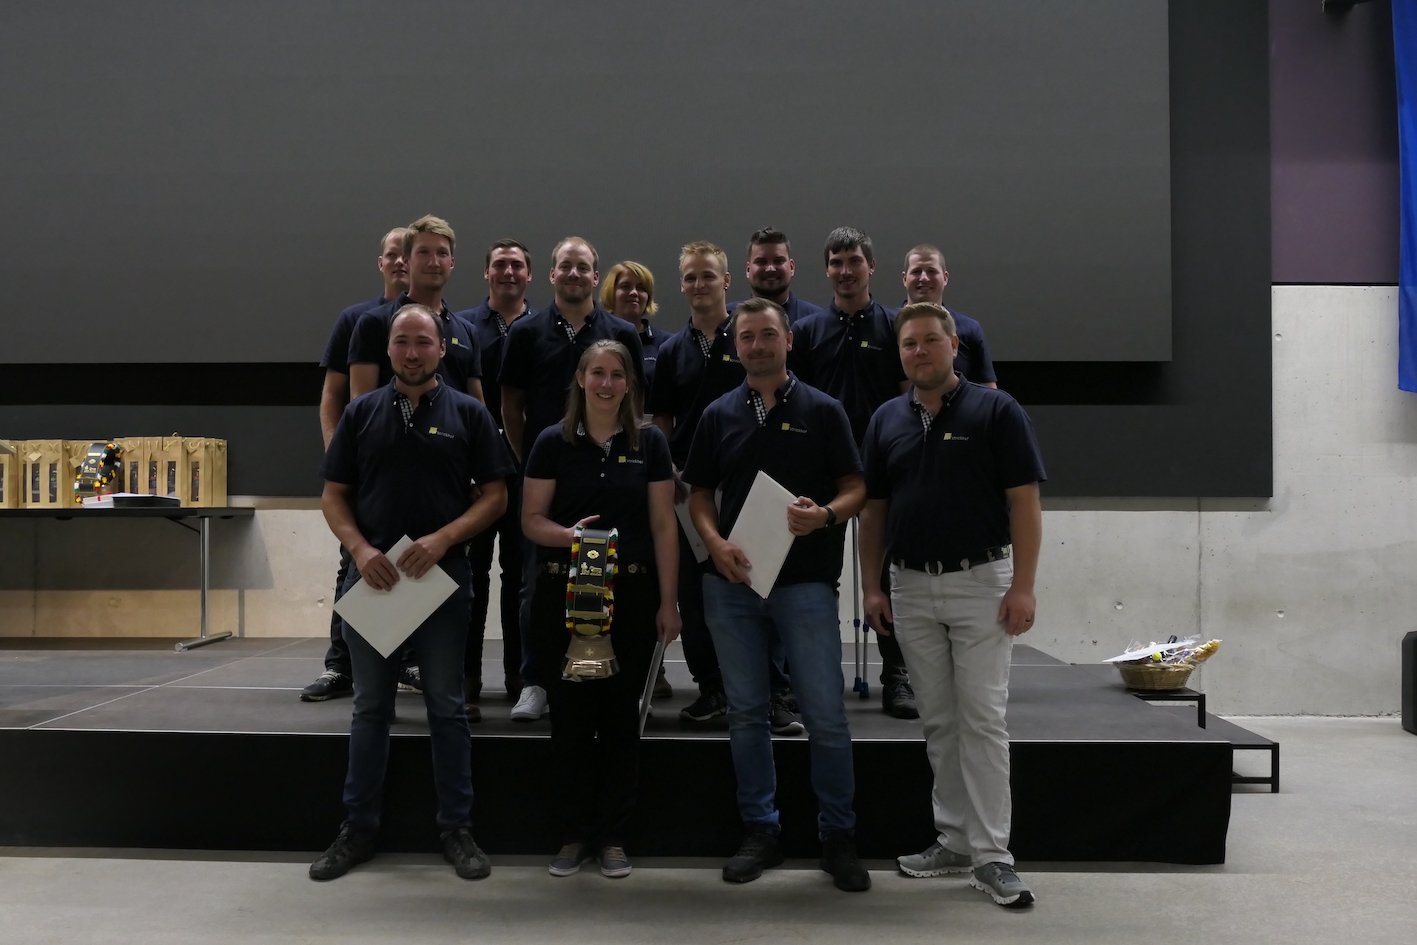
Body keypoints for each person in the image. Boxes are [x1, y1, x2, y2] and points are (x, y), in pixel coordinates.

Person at [311, 304, 516, 882]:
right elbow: (333, 495)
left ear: (441, 349)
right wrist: (360, 551)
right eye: (402, 341)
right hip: (374, 581)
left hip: (441, 583)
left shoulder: (470, 414)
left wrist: (443, 538)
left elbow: (496, 496)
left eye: (423, 342)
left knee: (446, 709)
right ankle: (357, 830)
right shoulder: (361, 413)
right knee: (370, 709)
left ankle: (457, 829)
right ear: (389, 350)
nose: (412, 352)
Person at [857, 302, 1045, 908]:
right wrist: (871, 586)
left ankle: (994, 856)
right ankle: (956, 840)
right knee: (938, 720)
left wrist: (1023, 586)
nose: (919, 352)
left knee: (982, 720)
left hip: (981, 584)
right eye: (909, 344)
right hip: (910, 587)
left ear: (954, 345)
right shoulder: (886, 419)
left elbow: (1024, 502)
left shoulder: (998, 410)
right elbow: (874, 511)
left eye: (930, 341)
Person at [683, 297, 870, 892]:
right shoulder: (717, 414)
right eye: (747, 337)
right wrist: (714, 543)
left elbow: (856, 486)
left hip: (806, 586)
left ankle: (838, 837)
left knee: (825, 714)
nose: (757, 346)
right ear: (735, 346)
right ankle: (760, 831)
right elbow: (698, 494)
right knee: (746, 715)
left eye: (768, 335)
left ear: (788, 340)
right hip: (732, 586)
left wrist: (827, 515)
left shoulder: (824, 410)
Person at [522, 340, 680, 879]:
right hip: (564, 598)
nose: (606, 384)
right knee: (569, 720)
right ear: (580, 379)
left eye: (616, 374)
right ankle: (572, 836)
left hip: (631, 598)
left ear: (629, 384)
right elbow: (531, 520)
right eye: (597, 373)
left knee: (619, 721)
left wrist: (668, 602)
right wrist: (571, 537)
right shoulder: (552, 441)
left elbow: (663, 525)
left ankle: (612, 837)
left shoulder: (650, 442)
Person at [649, 241, 802, 734]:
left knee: (762, 587)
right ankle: (713, 688)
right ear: (682, 285)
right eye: (690, 277)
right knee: (697, 595)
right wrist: (671, 469)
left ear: (727, 281)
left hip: (752, 488)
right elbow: (663, 420)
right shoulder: (671, 351)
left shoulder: (750, 337)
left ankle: (774, 694)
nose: (699, 284)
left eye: (708, 275)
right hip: (691, 490)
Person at [499, 236, 646, 722]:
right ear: (552, 274)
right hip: (547, 476)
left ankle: (615, 678)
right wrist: (530, 462)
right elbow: (511, 405)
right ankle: (535, 680)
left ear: (595, 276)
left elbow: (634, 401)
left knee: (614, 579)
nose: (574, 274)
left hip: (608, 475)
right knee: (533, 586)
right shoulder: (525, 332)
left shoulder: (621, 332)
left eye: (583, 267)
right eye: (566, 266)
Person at [789, 226, 917, 720]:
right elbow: (798, 400)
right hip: (825, 474)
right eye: (837, 262)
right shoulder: (808, 332)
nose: (845, 271)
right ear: (826, 270)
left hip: (884, 469)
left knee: (888, 576)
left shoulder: (894, 326)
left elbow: (908, 398)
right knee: (817, 576)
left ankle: (897, 675)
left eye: (854, 261)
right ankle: (812, 675)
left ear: (871, 267)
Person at [302, 226, 408, 703]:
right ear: (380, 262)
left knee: (412, 565)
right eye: (393, 254)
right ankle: (340, 665)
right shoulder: (356, 320)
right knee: (355, 561)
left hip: (417, 474)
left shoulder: (433, 322)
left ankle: (406, 663)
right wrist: (338, 453)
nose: (401, 261)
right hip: (366, 471)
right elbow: (332, 395)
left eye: (408, 254)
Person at [455, 239, 536, 715]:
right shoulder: (464, 329)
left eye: (517, 265)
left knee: (522, 578)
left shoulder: (543, 328)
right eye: (500, 265)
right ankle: (466, 675)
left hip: (527, 476)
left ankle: (520, 675)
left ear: (530, 275)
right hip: (477, 478)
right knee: (472, 576)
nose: (509, 272)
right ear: (486, 273)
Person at [901, 244, 998, 388]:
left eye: (932, 271)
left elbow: (989, 392)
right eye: (916, 271)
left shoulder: (969, 328)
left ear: (945, 278)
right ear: (904, 278)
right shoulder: (886, 325)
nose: (924, 278)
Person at [730, 226, 827, 325]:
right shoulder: (728, 320)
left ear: (791, 267)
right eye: (761, 262)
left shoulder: (818, 321)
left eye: (778, 261)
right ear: (748, 269)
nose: (770, 268)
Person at [600, 260, 663, 406]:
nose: (634, 292)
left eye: (641, 288)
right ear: (611, 292)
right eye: (625, 286)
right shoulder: (595, 339)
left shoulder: (665, 344)